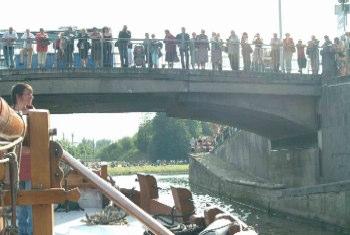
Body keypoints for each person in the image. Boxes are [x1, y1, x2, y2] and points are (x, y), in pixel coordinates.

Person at [11, 83, 34, 235]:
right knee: (20, 210)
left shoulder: (35, 114)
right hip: (15, 167)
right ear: (19, 97)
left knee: (32, 208)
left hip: (34, 166)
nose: (31, 97)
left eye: (32, 94)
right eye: (28, 94)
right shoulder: (10, 116)